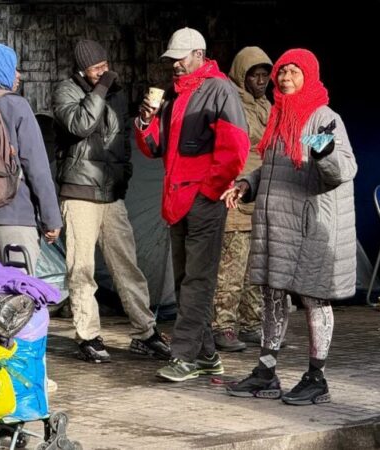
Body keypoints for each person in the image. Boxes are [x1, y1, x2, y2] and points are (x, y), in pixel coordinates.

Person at [224, 49, 356, 405]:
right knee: (273, 295)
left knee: (314, 298)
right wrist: (246, 185)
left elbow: (343, 170)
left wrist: (323, 152)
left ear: (309, 77)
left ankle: (317, 378)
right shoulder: (280, 116)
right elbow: (272, 167)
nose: (284, 79)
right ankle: (266, 373)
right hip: (276, 224)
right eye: (282, 72)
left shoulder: (323, 118)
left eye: (293, 72)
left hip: (310, 224)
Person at [135, 27, 249, 381]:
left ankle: (183, 356)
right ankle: (206, 356)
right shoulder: (174, 96)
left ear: (199, 54)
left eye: (180, 58)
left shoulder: (219, 90)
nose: (175, 65)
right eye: (171, 59)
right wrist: (144, 121)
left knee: (197, 281)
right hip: (178, 201)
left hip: (200, 200)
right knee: (187, 280)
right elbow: (155, 148)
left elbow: (235, 149)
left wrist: (209, 192)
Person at [52, 39, 171, 363]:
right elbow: (80, 124)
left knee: (127, 266)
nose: (103, 72)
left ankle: (146, 332)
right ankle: (88, 335)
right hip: (79, 192)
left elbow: (121, 140)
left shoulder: (116, 94)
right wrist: (101, 88)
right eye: (96, 69)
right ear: (81, 70)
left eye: (105, 66)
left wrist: (125, 174)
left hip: (111, 194)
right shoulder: (66, 91)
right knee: (82, 269)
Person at [0, 42, 62, 268]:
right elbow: (37, 167)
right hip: (14, 217)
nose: (18, 75)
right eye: (13, 67)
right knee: (18, 297)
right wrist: (51, 219)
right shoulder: (15, 105)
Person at [212, 47, 273, 352]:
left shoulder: (268, 107)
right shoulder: (230, 103)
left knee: (255, 270)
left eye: (265, 75)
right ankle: (222, 326)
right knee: (231, 269)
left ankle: (251, 323)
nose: (261, 81)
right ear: (241, 75)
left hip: (261, 198)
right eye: (255, 75)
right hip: (236, 196)